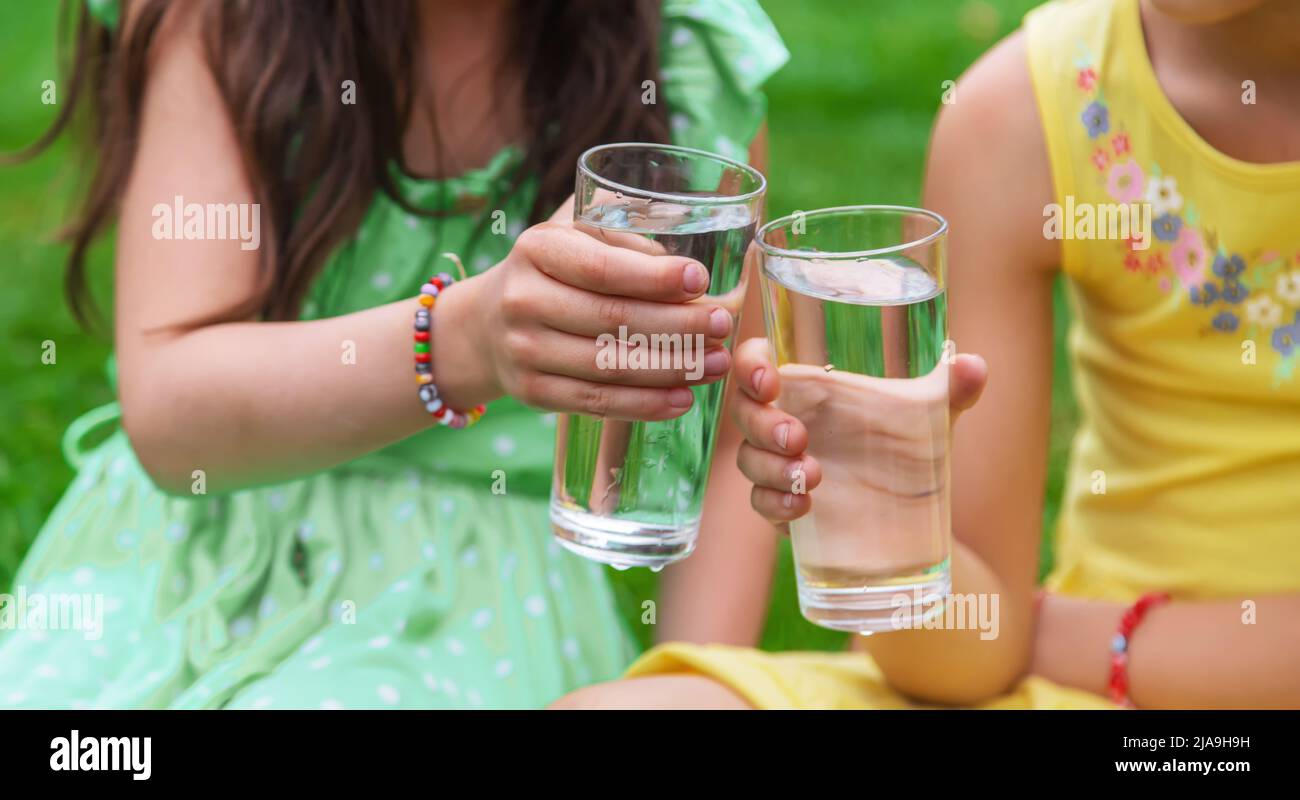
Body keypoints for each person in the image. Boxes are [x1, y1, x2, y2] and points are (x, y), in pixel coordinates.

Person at [0, 0, 787, 709]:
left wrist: (696, 680)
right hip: (186, 550)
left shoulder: (683, 52)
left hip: (466, 595)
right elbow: (172, 410)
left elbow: (720, 440)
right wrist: (463, 343)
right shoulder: (219, 18)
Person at [553, 0, 1300, 710]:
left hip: (1092, 658)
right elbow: (978, 653)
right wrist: (877, 512)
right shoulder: (1027, 114)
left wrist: (1081, 638)